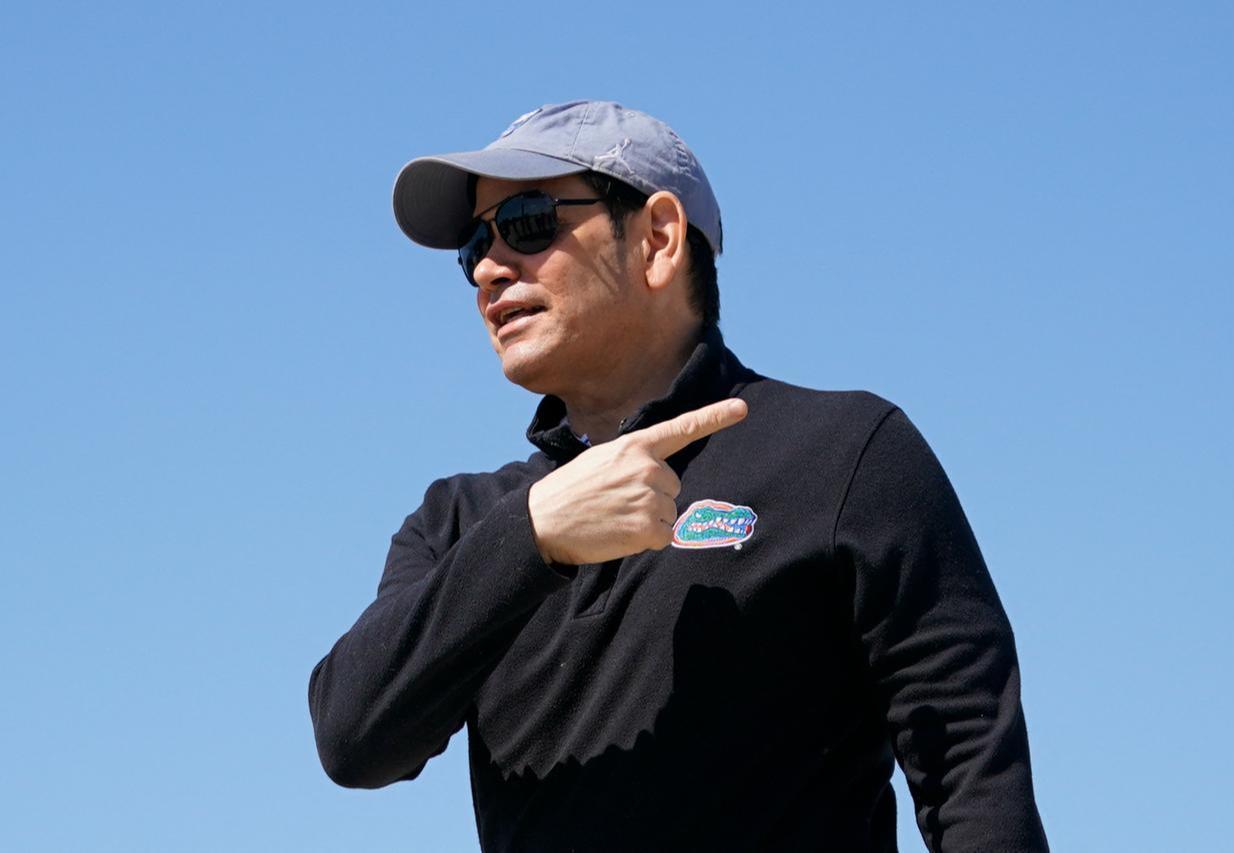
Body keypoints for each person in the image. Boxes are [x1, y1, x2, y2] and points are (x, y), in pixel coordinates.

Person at [308, 100, 1049, 852]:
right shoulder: (462, 519)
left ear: (659, 240)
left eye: (528, 222)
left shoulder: (845, 452)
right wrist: (532, 536)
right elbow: (355, 739)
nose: (492, 268)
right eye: (474, 246)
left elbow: (975, 780)